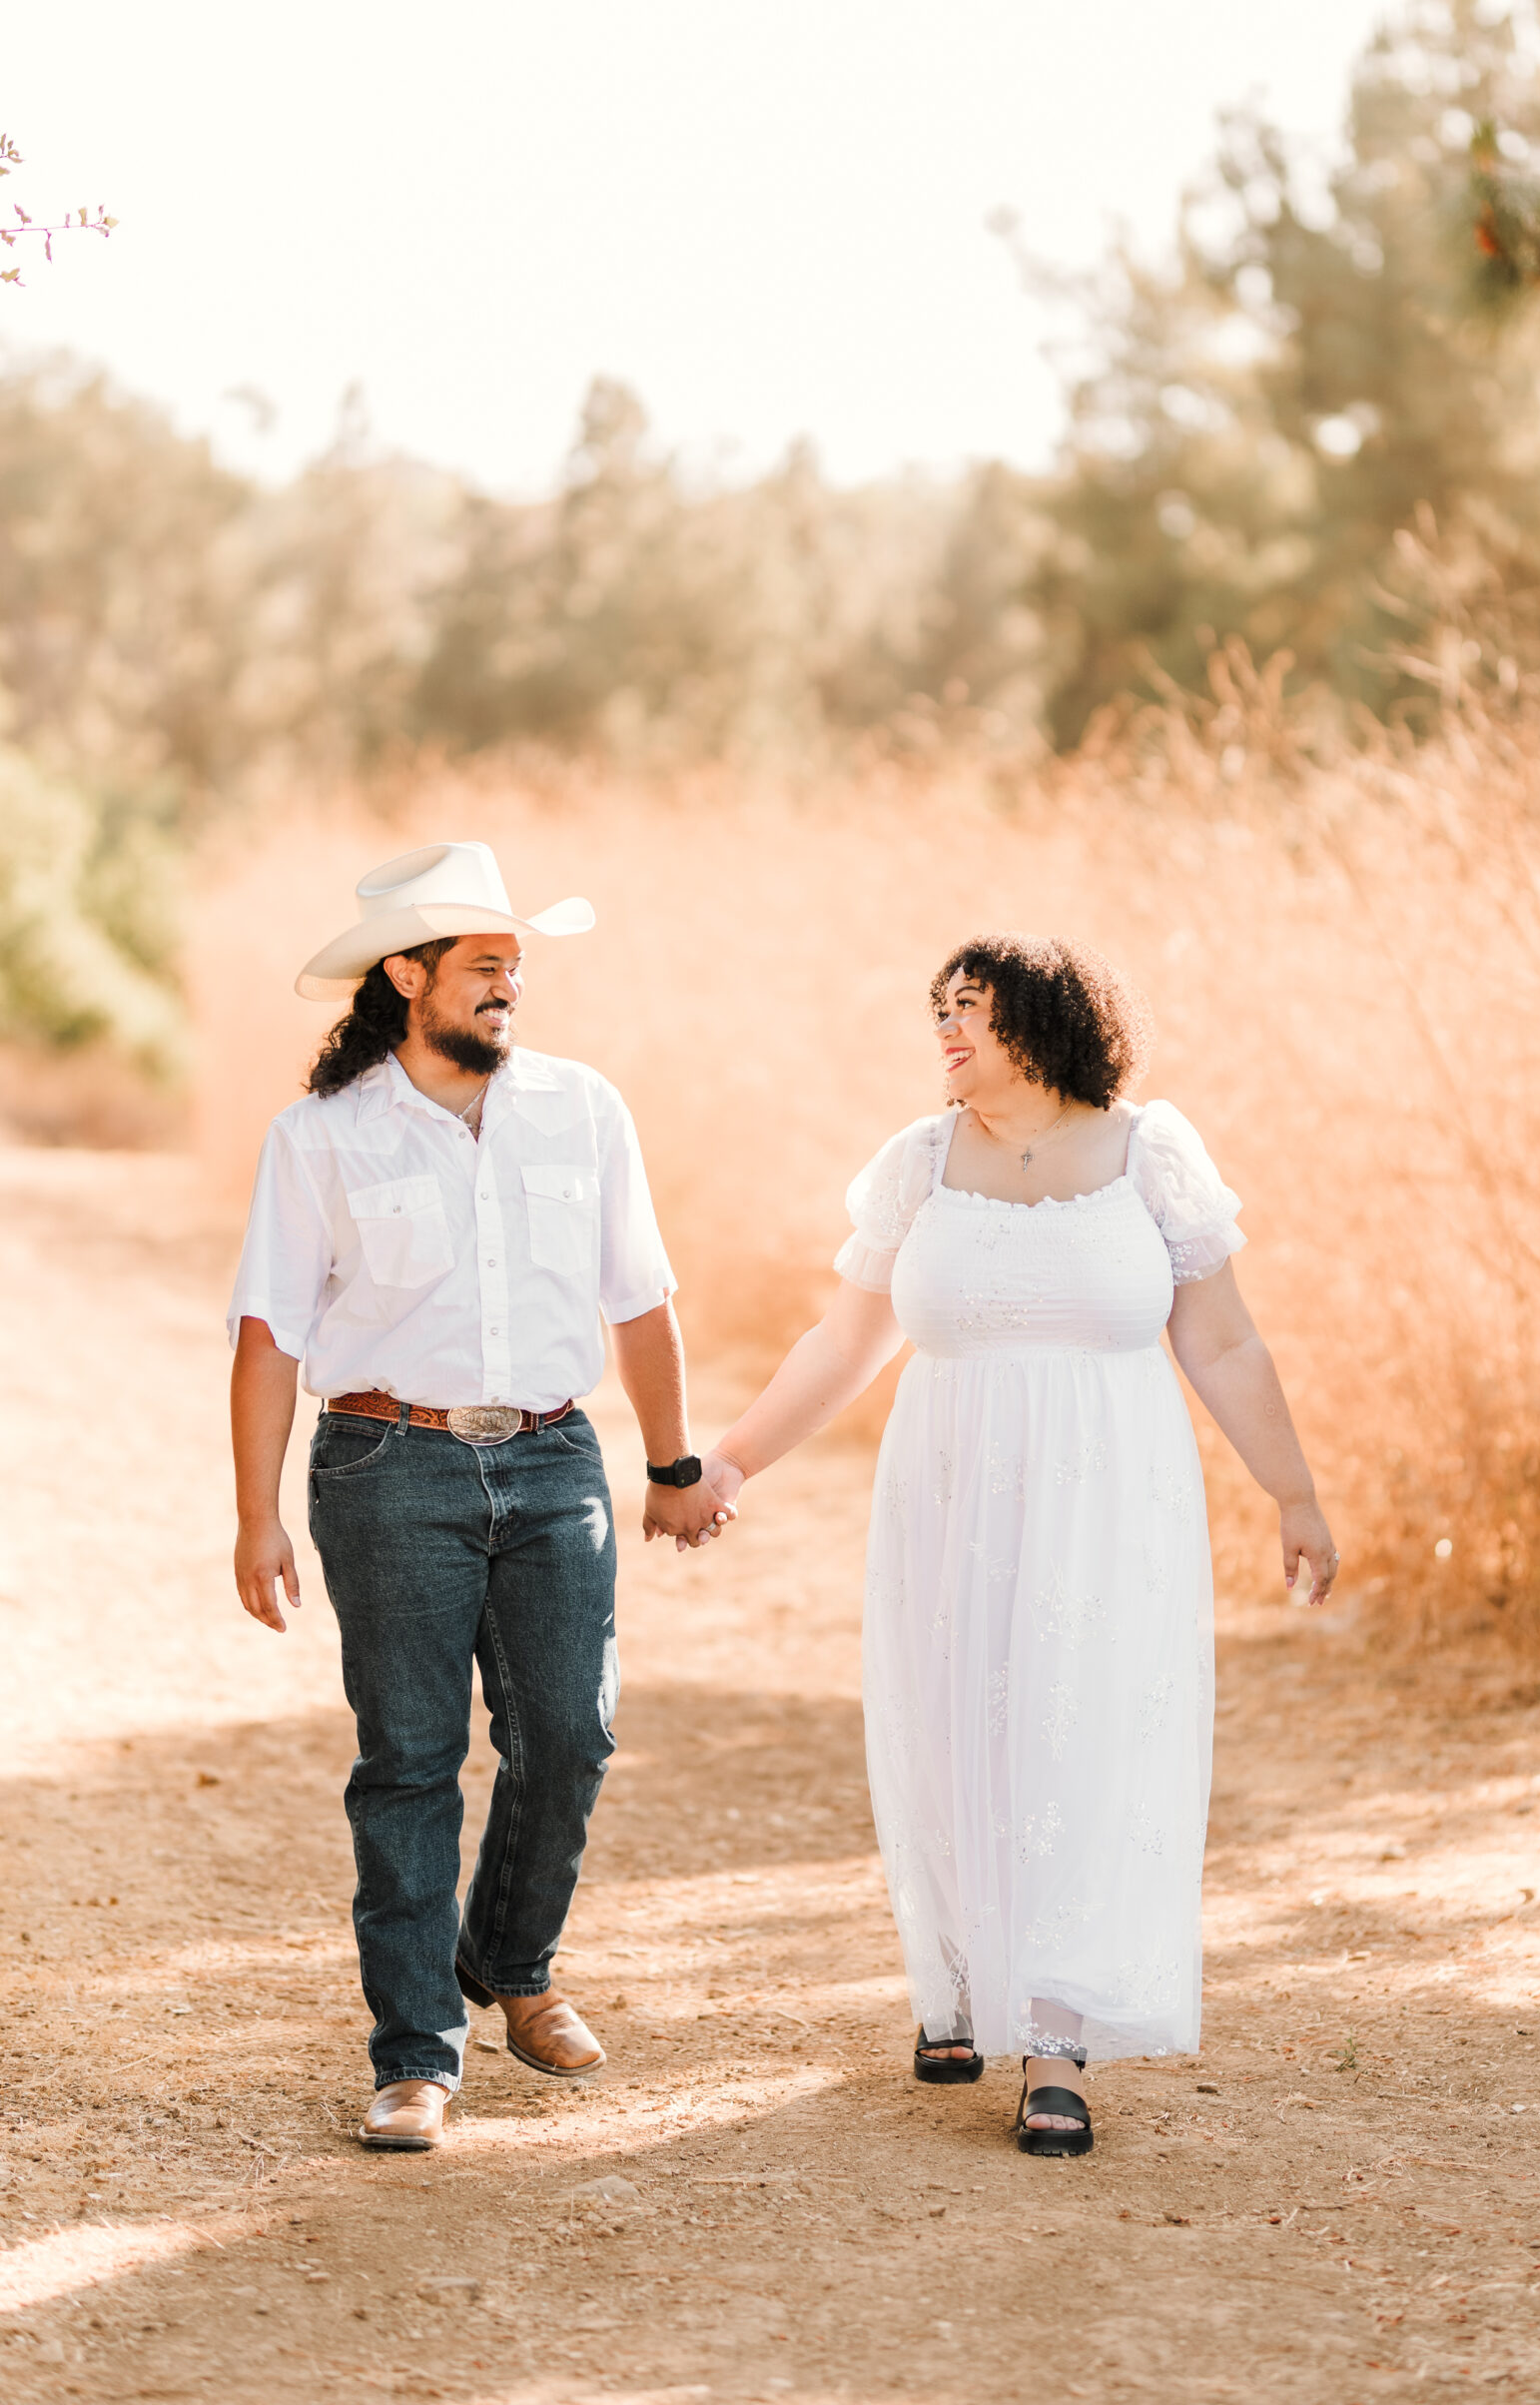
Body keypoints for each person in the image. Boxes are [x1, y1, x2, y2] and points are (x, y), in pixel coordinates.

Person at [694, 933, 1336, 2156]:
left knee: (1082, 1725)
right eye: (935, 1010)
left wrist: (1292, 1492)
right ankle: (955, 1985)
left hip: (1113, 1495)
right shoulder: (918, 1163)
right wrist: (729, 1460)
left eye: (968, 1011)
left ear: (1041, 1022)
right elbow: (842, 1346)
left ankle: (1053, 2032)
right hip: (952, 1486)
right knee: (955, 1721)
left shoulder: (1152, 1152)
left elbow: (1226, 1344)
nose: (943, 1032)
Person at [227, 841, 731, 2153]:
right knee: (407, 1763)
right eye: (483, 966)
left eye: (515, 965)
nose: (508, 986)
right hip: (387, 1468)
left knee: (570, 1737)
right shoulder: (320, 1137)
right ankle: (414, 2057)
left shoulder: (583, 1107)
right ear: (407, 976)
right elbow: (269, 1333)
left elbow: (641, 1298)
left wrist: (671, 1466)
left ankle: (509, 1963)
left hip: (556, 1462)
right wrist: (256, 1513)